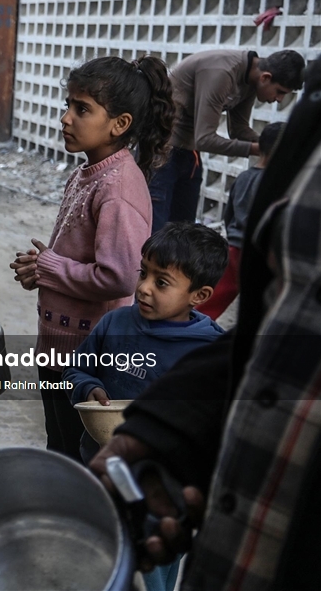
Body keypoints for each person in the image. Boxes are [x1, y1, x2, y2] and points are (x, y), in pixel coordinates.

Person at [88, 57, 321, 590]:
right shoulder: (311, 107)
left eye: (161, 282)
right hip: (238, 537)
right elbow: (283, 335)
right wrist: (162, 429)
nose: (143, 289)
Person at [10, 56, 174, 462]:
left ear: (119, 124)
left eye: (82, 109)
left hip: (88, 356)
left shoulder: (118, 186)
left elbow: (119, 275)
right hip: (60, 347)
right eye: (68, 105)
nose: (66, 118)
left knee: (75, 460)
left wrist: (49, 267)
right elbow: (77, 258)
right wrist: (44, 273)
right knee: (59, 450)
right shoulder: (92, 171)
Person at [65, 221, 227, 591]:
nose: (143, 287)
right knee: (102, 563)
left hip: (163, 491)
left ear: (199, 296)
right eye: (143, 273)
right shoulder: (115, 323)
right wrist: (88, 387)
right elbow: (76, 368)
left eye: (162, 281)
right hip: (103, 468)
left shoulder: (210, 352)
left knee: (155, 571)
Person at [149, 49, 304, 233]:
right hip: (161, 149)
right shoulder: (222, 72)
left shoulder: (251, 78)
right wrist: (256, 149)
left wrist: (273, 145)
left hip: (189, 152)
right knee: (155, 229)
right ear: (265, 77)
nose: (279, 100)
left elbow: (238, 129)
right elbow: (205, 139)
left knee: (183, 231)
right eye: (280, 92)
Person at [200, 122, 282, 319]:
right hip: (257, 251)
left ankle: (188, 326)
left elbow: (229, 214)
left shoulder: (244, 176)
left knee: (213, 299)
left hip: (234, 247)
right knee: (261, 304)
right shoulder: (274, 182)